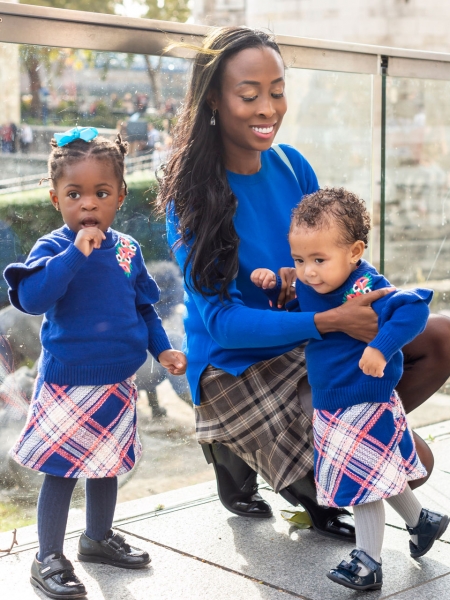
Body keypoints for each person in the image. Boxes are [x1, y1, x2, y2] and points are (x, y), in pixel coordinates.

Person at [157, 26, 450, 539]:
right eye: (248, 95)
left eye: (276, 90)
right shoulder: (191, 198)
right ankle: (249, 447)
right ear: (214, 101)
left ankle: (347, 435)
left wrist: (371, 306)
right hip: (238, 362)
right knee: (415, 467)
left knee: (443, 336)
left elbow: (343, 264)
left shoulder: (293, 166)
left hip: (312, 335)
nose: (267, 107)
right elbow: (223, 324)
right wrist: (330, 320)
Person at [3, 126, 187, 600]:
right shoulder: (51, 248)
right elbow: (32, 297)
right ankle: (47, 557)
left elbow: (144, 307)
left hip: (116, 383)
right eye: (75, 194)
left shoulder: (127, 250)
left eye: (101, 193)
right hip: (67, 385)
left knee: (106, 465)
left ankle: (97, 538)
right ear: (55, 197)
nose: (88, 204)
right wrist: (72, 255)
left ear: (120, 196)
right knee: (61, 471)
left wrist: (161, 348)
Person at [251, 187, 448, 591]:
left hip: (366, 400)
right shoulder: (314, 284)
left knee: (362, 486)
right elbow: (299, 310)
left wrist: (381, 346)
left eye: (319, 260)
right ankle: (422, 522)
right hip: (332, 403)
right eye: (299, 260)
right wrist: (273, 288)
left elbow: (414, 307)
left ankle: (368, 563)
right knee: (376, 475)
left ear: (355, 251)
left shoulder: (365, 285)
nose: (308, 271)